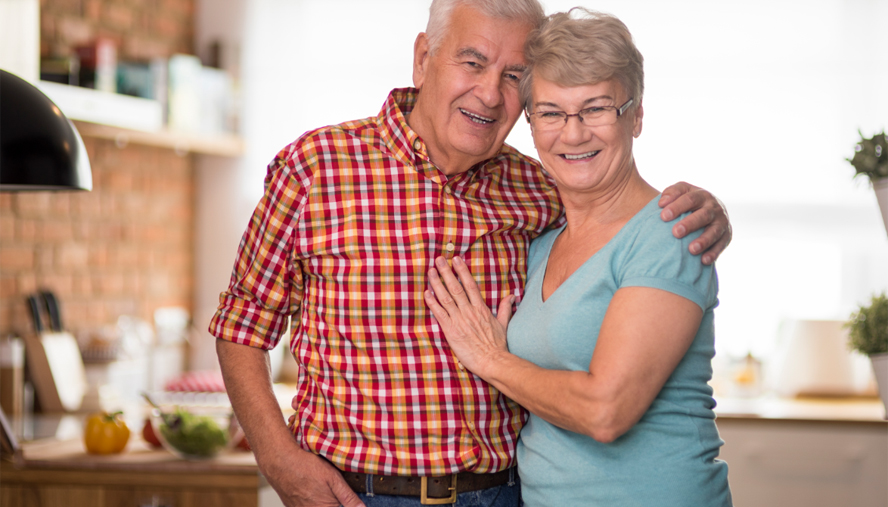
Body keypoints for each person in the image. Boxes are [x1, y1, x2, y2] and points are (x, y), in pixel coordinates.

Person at [210, 1, 732, 506]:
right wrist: (277, 459)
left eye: (513, 76)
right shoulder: (316, 168)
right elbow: (243, 323)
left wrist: (709, 213)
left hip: (506, 494)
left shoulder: (538, 189)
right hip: (357, 494)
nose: (487, 93)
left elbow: (622, 217)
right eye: (473, 62)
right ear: (422, 59)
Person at [424, 8, 733, 506]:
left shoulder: (671, 233)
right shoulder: (541, 237)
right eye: (550, 112)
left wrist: (489, 358)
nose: (572, 134)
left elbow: (605, 412)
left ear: (635, 116)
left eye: (595, 108)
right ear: (529, 121)